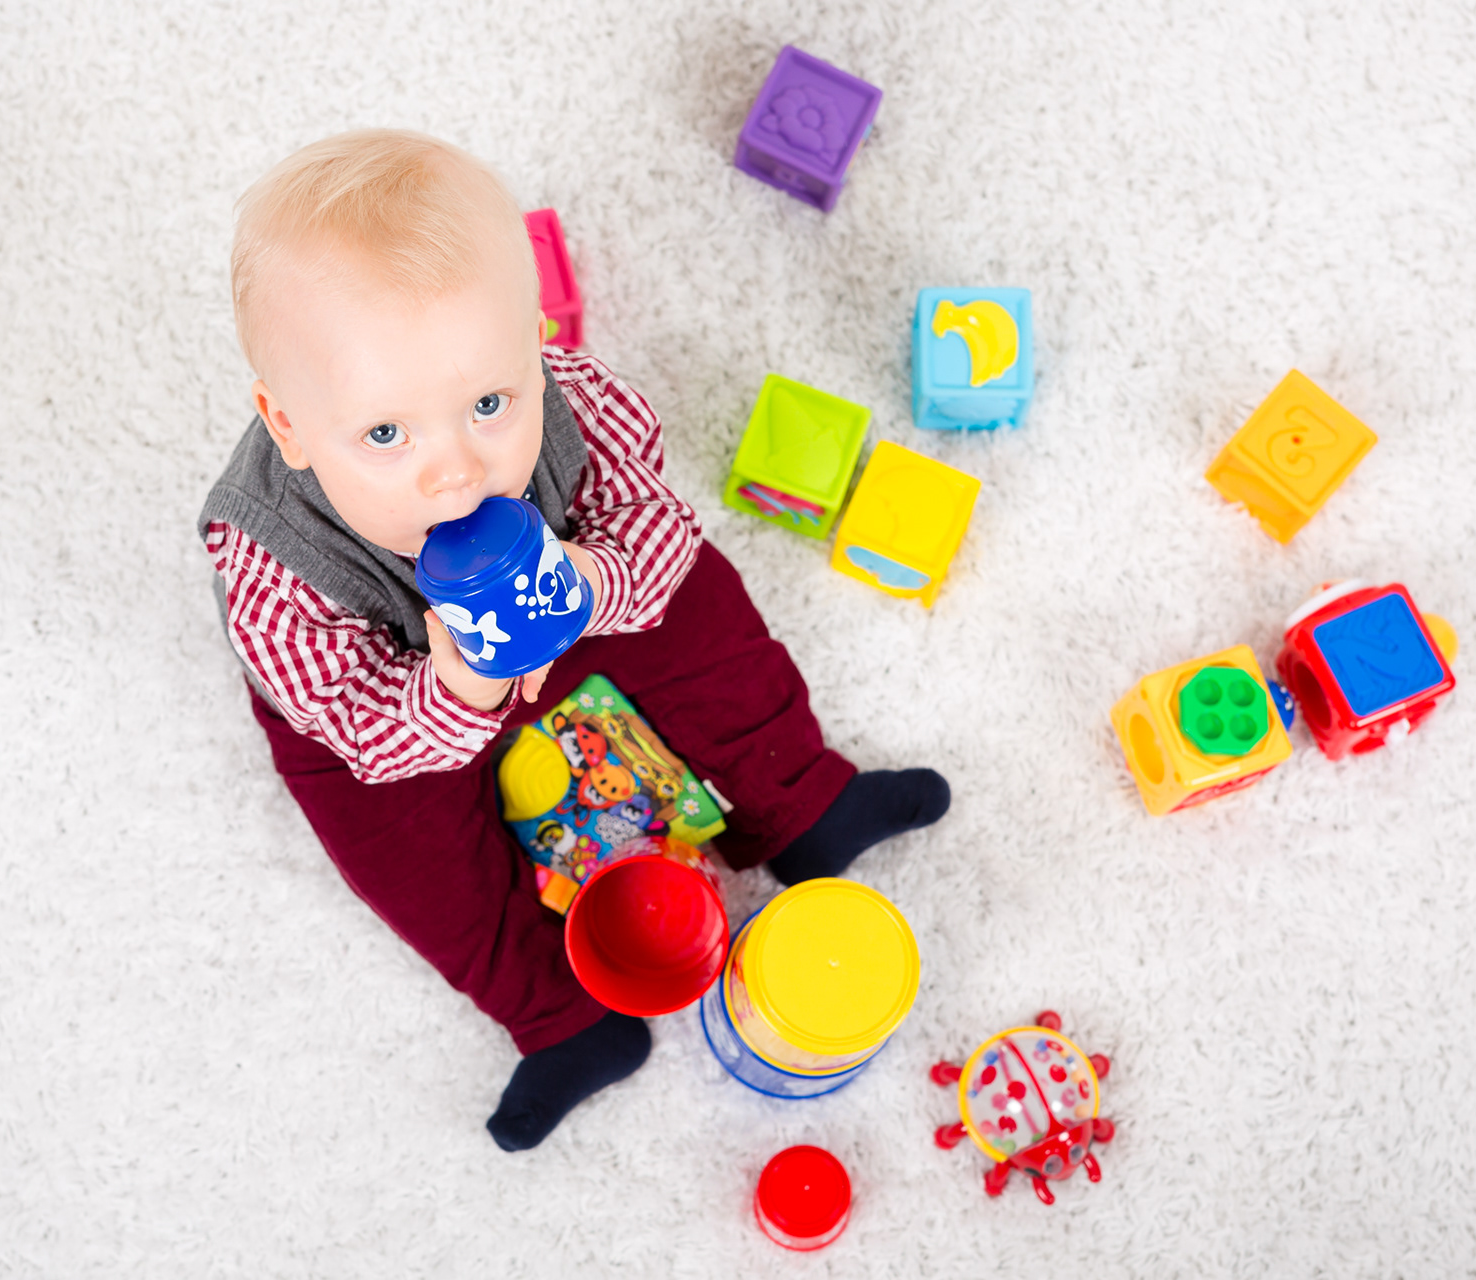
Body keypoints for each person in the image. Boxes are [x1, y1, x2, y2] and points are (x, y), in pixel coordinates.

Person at [197, 129, 950, 1151]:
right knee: (396, 844)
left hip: (574, 604)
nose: (455, 472)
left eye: (488, 403)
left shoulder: (573, 401)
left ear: (534, 344)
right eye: (384, 435)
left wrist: (594, 580)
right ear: (288, 425)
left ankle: (802, 800)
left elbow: (655, 521)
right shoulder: (271, 557)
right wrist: (454, 693)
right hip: (390, 698)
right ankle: (560, 1015)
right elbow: (350, 719)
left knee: (700, 613)